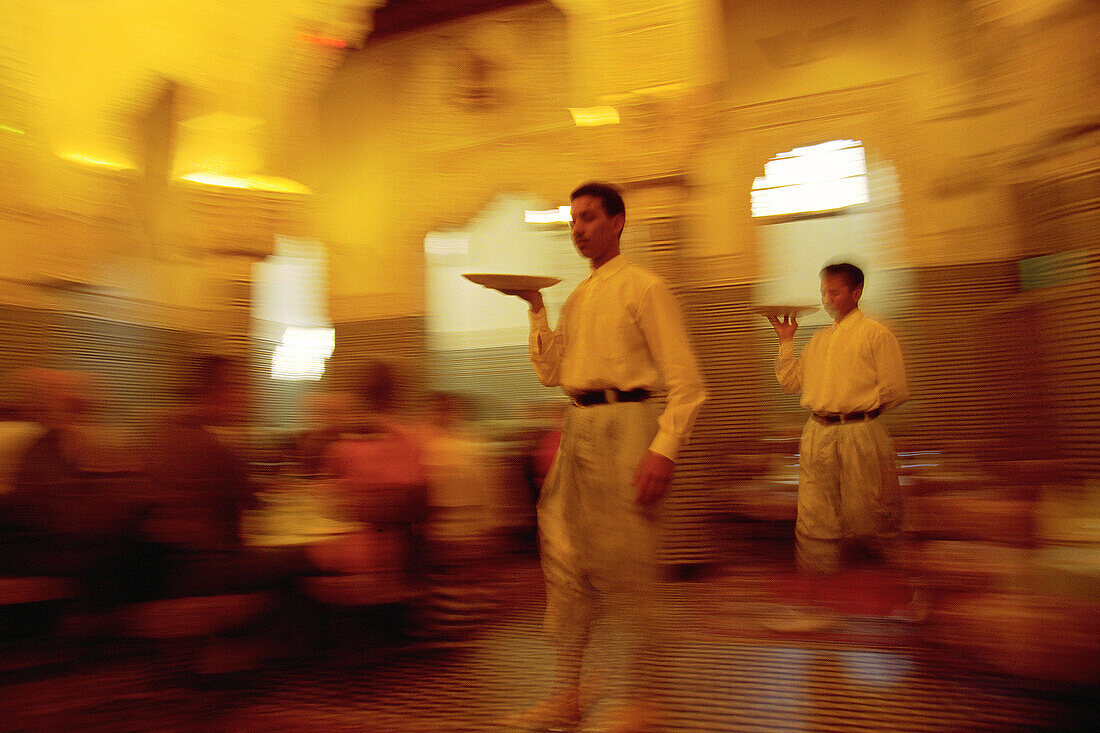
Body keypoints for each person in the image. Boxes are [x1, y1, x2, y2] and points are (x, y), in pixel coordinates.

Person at [502, 182, 706, 732]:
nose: (577, 228)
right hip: (579, 426)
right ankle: (568, 692)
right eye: (573, 220)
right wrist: (537, 308)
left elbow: (687, 383)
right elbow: (551, 375)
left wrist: (662, 449)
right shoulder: (577, 297)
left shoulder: (646, 287)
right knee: (566, 562)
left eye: (588, 217)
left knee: (630, 564)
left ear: (618, 222)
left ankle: (644, 697)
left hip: (628, 425)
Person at [766, 263, 908, 625]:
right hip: (817, 432)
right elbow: (790, 383)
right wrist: (786, 340)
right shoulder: (820, 340)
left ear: (856, 293)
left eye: (835, 291)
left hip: (861, 431)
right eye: (824, 291)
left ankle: (891, 602)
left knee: (871, 516)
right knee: (815, 521)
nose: (827, 299)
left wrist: (858, 414)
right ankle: (817, 605)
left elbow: (894, 390)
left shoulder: (876, 334)